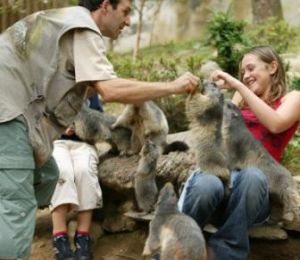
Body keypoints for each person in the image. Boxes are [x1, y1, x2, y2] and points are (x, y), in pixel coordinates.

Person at [0, 0, 199, 258]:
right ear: (105, 6)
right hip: (7, 115)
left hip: (14, 114)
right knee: (17, 206)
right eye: (125, 12)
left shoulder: (65, 20)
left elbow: (87, 83)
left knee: (48, 176)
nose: (128, 21)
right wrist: (173, 86)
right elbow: (111, 90)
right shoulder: (83, 27)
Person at [177, 46, 300, 259]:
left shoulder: (292, 98)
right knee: (208, 183)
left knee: (251, 176)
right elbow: (216, 130)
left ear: (272, 67)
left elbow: (276, 124)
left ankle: (225, 254)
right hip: (221, 182)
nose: (246, 76)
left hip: (252, 196)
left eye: (251, 69)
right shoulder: (239, 96)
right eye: (242, 72)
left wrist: (237, 86)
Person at [50, 95, 104, 260]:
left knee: (84, 172)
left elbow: (99, 123)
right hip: (56, 142)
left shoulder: (91, 94)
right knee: (62, 171)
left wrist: (83, 131)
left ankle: (83, 236)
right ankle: (59, 236)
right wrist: (60, 128)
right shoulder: (51, 89)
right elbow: (41, 119)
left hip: (84, 144)